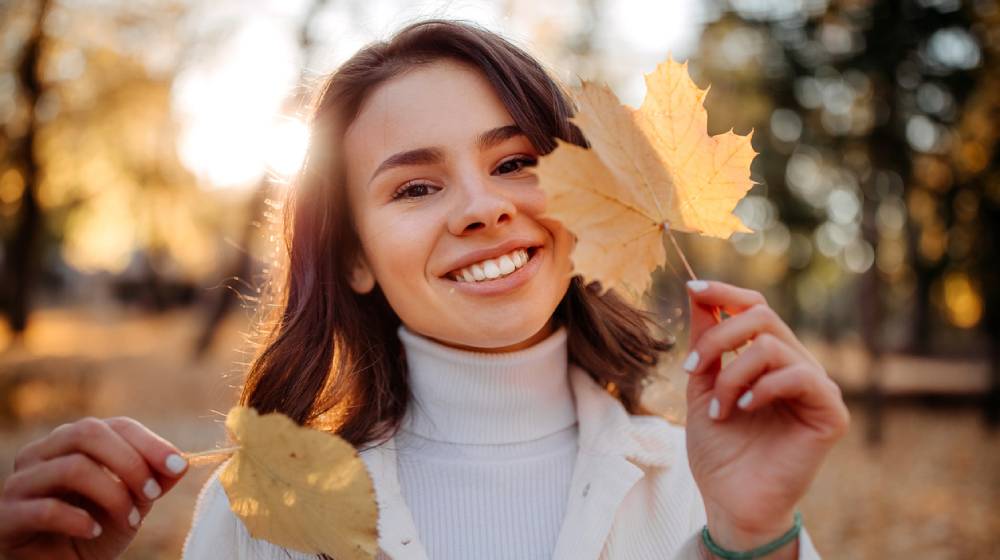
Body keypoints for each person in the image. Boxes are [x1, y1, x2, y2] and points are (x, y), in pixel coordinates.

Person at [0, 19, 850, 560]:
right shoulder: (263, 511)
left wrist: (749, 543)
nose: (483, 208)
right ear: (356, 259)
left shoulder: (703, 489)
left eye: (515, 162)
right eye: (414, 187)